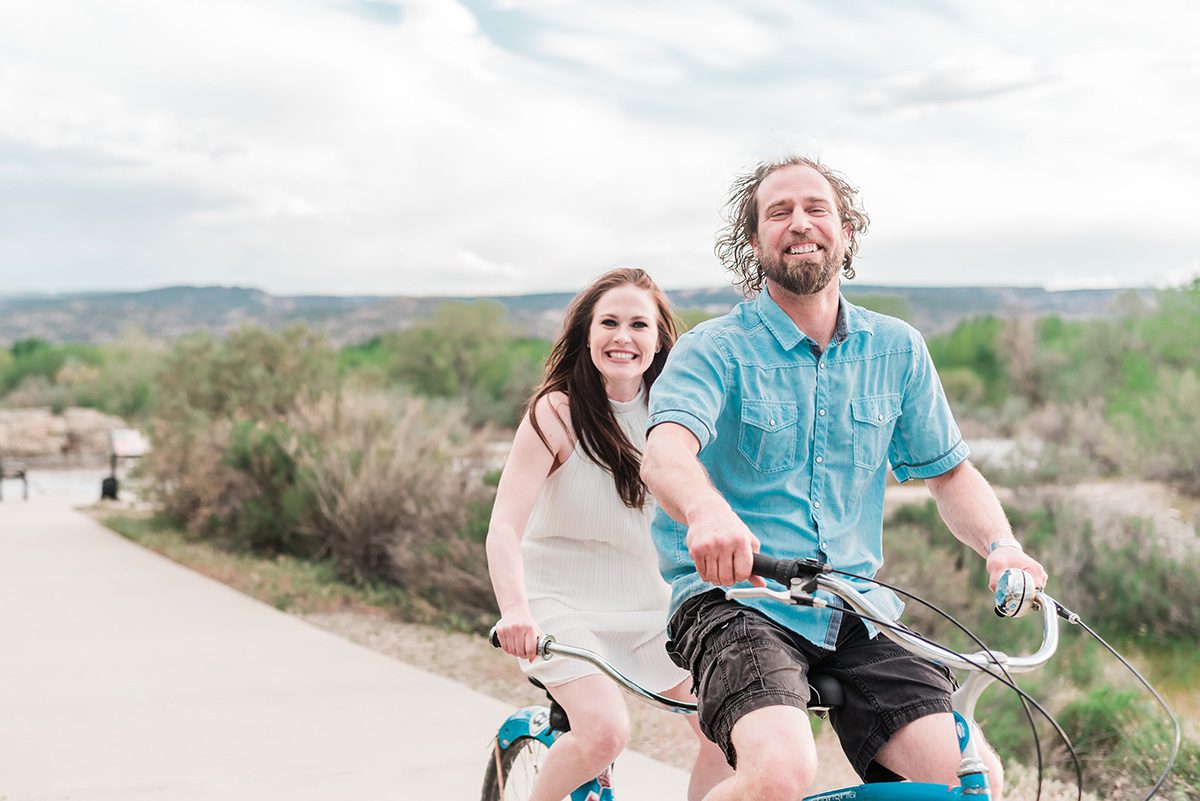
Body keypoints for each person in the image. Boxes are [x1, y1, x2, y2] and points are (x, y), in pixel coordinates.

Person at [640, 157, 1050, 801]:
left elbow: (949, 472)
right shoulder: (713, 349)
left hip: (856, 609)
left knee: (974, 780)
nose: (799, 223)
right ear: (754, 243)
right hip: (736, 604)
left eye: (816, 208)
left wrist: (1001, 546)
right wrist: (706, 512)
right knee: (778, 775)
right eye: (778, 212)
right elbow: (664, 452)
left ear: (846, 230)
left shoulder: (898, 349)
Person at [487, 268, 731, 801]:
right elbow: (505, 525)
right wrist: (515, 610)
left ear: (661, 339)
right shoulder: (555, 412)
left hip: (651, 604)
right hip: (558, 602)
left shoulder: (678, 417)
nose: (624, 337)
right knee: (604, 733)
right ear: (587, 333)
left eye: (639, 325)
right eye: (610, 322)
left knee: (730, 734)